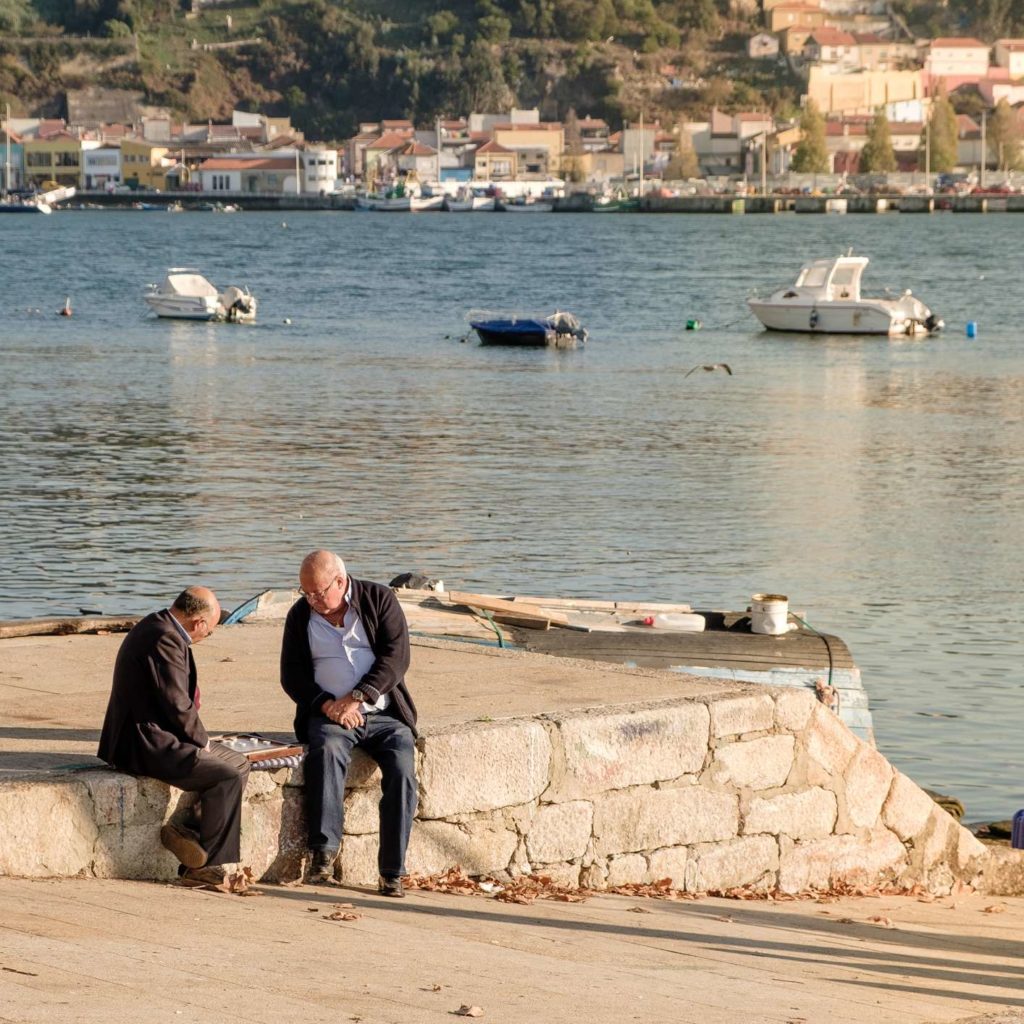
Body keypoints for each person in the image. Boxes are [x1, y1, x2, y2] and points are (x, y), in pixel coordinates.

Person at [280, 550, 418, 897]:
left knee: (402, 768)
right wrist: (329, 705)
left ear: (340, 582)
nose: (312, 600)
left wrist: (357, 697)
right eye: (305, 593)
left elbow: (396, 657)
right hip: (330, 717)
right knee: (325, 751)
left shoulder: (379, 599)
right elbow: (292, 676)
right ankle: (323, 858)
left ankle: (392, 872)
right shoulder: (300, 617)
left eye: (318, 592)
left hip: (383, 714)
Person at [97, 587, 250, 888]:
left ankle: (189, 832)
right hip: (145, 743)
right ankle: (207, 866)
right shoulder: (163, 638)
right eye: (211, 631)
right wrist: (204, 743)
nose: (207, 637)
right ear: (199, 623)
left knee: (240, 764)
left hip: (161, 734)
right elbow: (176, 704)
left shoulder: (160, 625)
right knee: (227, 776)